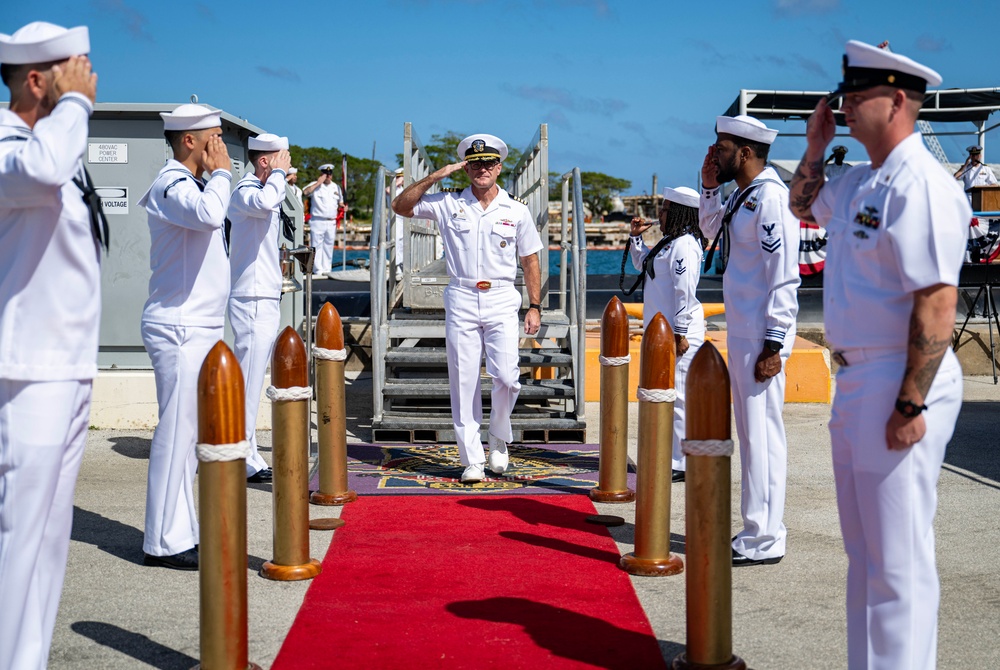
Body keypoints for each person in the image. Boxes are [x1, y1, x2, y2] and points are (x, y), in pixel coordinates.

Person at [788, 40, 968, 669]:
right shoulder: (863, 180)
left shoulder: (920, 185)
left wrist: (911, 400)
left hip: (899, 376)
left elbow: (938, 300)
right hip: (859, 377)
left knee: (898, 564)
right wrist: (814, 148)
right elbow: (802, 204)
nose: (843, 105)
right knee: (865, 556)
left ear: (895, 100)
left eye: (854, 96)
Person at [0, 22, 102, 670]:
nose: (88, 78)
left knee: (46, 541)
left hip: (66, 366)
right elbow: (42, 173)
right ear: (37, 79)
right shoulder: (14, 142)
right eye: (74, 68)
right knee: (16, 541)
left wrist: (70, 109)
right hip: (26, 369)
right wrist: (77, 105)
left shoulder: (49, 139)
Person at [391, 134, 543, 483]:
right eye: (475, 164)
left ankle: (499, 438)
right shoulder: (448, 203)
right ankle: (472, 458)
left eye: (488, 163)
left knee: (507, 376)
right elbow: (401, 206)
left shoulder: (515, 210)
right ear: (466, 168)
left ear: (499, 167)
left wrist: (535, 305)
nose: (482, 169)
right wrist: (433, 177)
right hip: (461, 296)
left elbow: (530, 259)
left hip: (503, 297)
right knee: (463, 380)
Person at [699, 115, 800, 567]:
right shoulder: (745, 195)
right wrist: (708, 188)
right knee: (751, 435)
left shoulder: (771, 199)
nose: (714, 154)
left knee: (761, 437)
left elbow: (785, 277)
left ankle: (763, 537)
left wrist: (775, 345)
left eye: (721, 147)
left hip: (761, 335)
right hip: (744, 331)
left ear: (744, 153)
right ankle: (758, 528)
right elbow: (709, 232)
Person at [139, 103, 233, 570]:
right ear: (189, 141)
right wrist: (222, 175)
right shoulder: (172, 183)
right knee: (176, 435)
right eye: (213, 137)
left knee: (190, 437)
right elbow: (208, 216)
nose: (220, 146)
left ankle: (180, 530)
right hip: (179, 326)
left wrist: (216, 178)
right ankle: (163, 540)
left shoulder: (195, 184)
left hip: (199, 324)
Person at [628, 186, 706, 483]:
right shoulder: (669, 243)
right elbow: (642, 264)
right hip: (664, 334)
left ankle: (682, 463)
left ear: (678, 212)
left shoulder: (685, 244)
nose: (659, 212)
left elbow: (684, 291)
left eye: (664, 208)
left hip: (678, 334)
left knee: (681, 398)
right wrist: (636, 238)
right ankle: (673, 457)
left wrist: (680, 332)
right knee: (669, 396)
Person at [229, 133, 291, 483]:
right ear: (264, 161)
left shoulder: (264, 188)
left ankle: (246, 450)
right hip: (251, 297)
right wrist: (279, 177)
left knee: (252, 379)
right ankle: (241, 454)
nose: (286, 164)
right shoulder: (246, 191)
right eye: (281, 158)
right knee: (248, 380)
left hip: (263, 294)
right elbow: (267, 203)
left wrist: (281, 179)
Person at [303, 163, 342, 277]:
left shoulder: (336, 187)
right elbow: (305, 192)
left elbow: (340, 202)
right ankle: (317, 270)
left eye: (330, 174)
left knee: (329, 246)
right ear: (322, 174)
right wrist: (318, 183)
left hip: (331, 221)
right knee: (316, 246)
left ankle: (327, 269)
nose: (328, 176)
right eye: (326, 174)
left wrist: (343, 206)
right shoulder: (315, 185)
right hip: (318, 220)